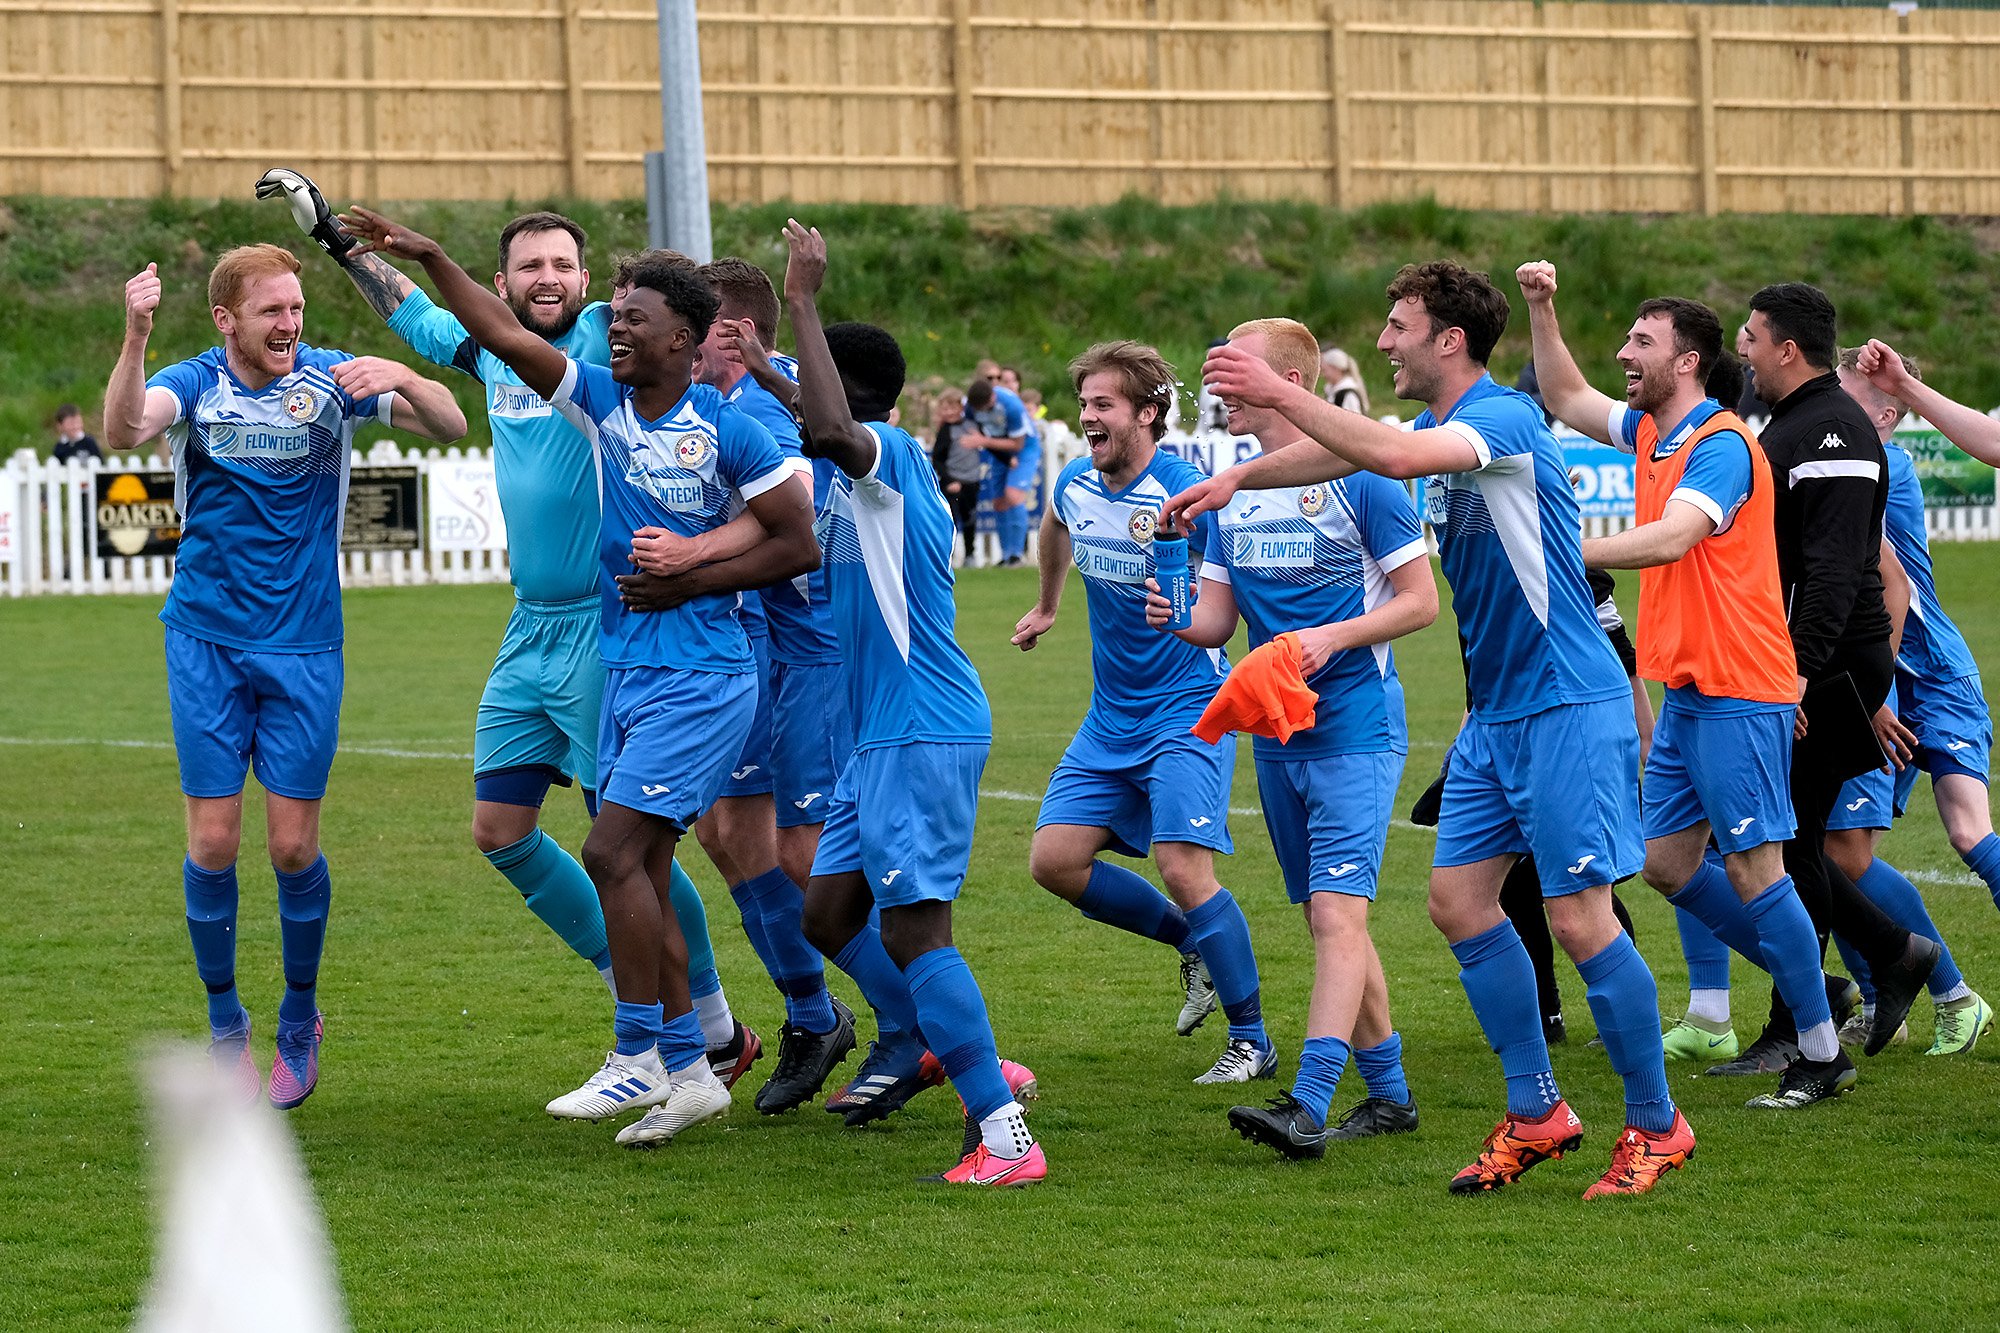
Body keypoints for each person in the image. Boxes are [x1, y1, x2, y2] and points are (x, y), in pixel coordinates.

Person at [1176, 261, 1686, 1200]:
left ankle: (1657, 1124)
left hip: (1568, 701)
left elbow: (1396, 460)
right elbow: (1355, 452)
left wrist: (1280, 387)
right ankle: (1536, 1111)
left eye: (1398, 326)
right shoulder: (1437, 428)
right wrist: (1241, 475)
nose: (1383, 342)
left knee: (1579, 917)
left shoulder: (1499, 421)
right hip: (1497, 713)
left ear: (1449, 340)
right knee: (1456, 903)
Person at [339, 205, 820, 1149]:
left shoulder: (724, 424)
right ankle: (690, 1053)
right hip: (579, 640)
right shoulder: (593, 395)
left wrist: (690, 565)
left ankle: (671, 1042)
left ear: (673, 334)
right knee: (534, 833)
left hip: (687, 665)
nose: (611, 320)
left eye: (577, 272)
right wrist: (418, 250)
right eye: (531, 263)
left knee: (621, 851)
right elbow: (491, 331)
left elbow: (796, 535)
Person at [103, 244, 466, 1109]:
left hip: (305, 645)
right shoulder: (196, 382)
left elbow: (453, 423)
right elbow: (124, 428)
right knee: (214, 842)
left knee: (292, 845)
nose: (290, 325)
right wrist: (135, 333)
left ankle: (299, 1018)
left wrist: (405, 380)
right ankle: (227, 1025)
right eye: (272, 312)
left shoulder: (332, 381)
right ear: (227, 320)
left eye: (296, 309)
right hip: (206, 641)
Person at [1520, 262, 1855, 1109]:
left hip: (1742, 684)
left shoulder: (1723, 447)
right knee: (1668, 865)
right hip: (1687, 690)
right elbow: (1564, 392)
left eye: (1643, 342)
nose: (1626, 354)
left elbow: (1673, 538)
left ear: (1689, 362)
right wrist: (1541, 305)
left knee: (1755, 868)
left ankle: (1819, 1051)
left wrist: (1566, 551)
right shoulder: (1647, 431)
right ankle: (1812, 982)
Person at [779, 218, 1044, 1184]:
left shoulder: (882, 455)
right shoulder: (850, 470)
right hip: (877, 738)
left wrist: (802, 300)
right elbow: (808, 412)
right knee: (827, 911)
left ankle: (1004, 1130)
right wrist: (758, 358)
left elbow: (830, 426)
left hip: (921, 726)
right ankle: (958, 1043)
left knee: (916, 928)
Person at [1148, 317, 1433, 1158]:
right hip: (1277, 733)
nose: (1222, 393)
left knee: (1338, 915)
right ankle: (1390, 1096)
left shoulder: (1366, 478)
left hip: (1354, 725)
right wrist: (1177, 617)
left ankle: (1307, 1102)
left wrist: (1332, 637)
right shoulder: (1230, 490)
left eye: (1237, 374)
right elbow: (1216, 620)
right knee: (1326, 915)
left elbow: (1420, 602)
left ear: (1292, 385)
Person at [1014, 340, 1274, 1086]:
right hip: (1111, 714)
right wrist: (1047, 604)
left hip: (1188, 706)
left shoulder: (1188, 494)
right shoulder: (1076, 482)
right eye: (1085, 403)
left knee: (1183, 865)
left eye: (1104, 405)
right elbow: (1056, 525)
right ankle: (1191, 944)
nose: (1088, 417)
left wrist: (1190, 601)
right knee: (1054, 860)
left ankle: (1252, 1039)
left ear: (1148, 413)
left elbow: (1225, 589)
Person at [662, 255, 860, 1115]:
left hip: (802, 655)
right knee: (725, 830)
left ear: (726, 336)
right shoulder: (724, 409)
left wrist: (694, 558)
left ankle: (913, 1019)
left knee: (804, 853)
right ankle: (815, 1015)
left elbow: (799, 518)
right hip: (758, 652)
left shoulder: (764, 425)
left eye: (689, 331)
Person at [1731, 282, 1939, 1071]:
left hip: (1828, 666)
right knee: (1792, 837)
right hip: (1812, 663)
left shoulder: (1832, 433)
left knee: (1784, 840)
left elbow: (1834, 574)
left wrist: (1794, 678)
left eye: (1752, 337)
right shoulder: (1797, 422)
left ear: (1788, 348)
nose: (1744, 350)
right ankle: (1889, 952)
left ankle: (1796, 1028)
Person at [1819, 346, 1991, 1055]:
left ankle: (1954, 995)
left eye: (1848, 394)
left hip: (1923, 674)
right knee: (1841, 850)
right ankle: (1915, 988)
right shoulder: (1846, 460)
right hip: (1873, 678)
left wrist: (1874, 690)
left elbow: (1885, 588)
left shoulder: (1888, 470)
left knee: (1966, 830)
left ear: (1887, 414)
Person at [964, 376, 1036, 566]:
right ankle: (1005, 556)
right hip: (999, 450)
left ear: (992, 397)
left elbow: (1018, 443)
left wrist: (984, 441)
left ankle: (1016, 554)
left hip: (1025, 448)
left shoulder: (1011, 405)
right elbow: (977, 432)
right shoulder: (970, 407)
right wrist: (998, 452)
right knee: (998, 503)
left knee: (1013, 496)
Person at [932, 388, 983, 560]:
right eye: (944, 409)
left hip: (971, 480)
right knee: (950, 520)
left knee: (970, 518)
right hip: (953, 483)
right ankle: (949, 556)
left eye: (951, 408)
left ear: (960, 408)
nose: (948, 413)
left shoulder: (972, 424)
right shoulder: (945, 431)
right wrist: (949, 480)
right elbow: (938, 459)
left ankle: (970, 554)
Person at [1319, 345, 1370, 416]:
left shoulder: (1348, 394)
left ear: (1335, 368)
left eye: (1325, 371)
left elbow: (1354, 422)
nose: (1323, 375)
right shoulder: (1332, 390)